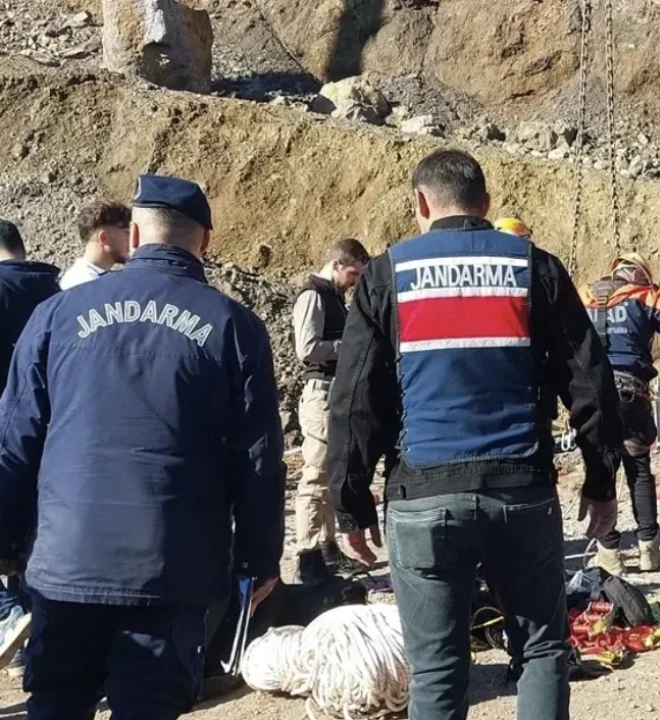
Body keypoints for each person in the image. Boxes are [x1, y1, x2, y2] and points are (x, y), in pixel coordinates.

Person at [327, 148, 623, 720]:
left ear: (420, 203)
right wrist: (600, 481)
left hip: (423, 496)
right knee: (541, 651)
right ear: (485, 204)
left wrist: (350, 504)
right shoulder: (534, 267)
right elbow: (590, 382)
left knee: (437, 669)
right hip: (521, 491)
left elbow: (357, 401)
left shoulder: (388, 274)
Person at [0, 175, 285, 720]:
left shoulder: (57, 315)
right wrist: (258, 557)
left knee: (56, 702)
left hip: (66, 562)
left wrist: (7, 538)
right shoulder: (234, 326)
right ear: (205, 241)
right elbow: (257, 458)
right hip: (171, 567)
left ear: (133, 234)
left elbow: (16, 437)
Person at [580, 252, 660, 575]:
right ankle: (649, 550)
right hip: (632, 393)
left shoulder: (585, 298)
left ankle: (609, 555)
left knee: (600, 471)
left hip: (594, 397)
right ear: (641, 274)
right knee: (639, 468)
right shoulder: (644, 297)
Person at [0, 218, 60, 677]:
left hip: (5, 426)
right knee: (30, 534)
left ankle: (8, 614)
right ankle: (33, 640)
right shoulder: (55, 292)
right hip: (49, 427)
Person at [292, 237, 370, 584]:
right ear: (337, 264)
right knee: (315, 475)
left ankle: (327, 548)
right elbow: (307, 348)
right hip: (321, 393)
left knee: (328, 474)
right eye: (353, 273)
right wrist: (349, 345)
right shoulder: (313, 295)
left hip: (333, 392)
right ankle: (308, 555)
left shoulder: (333, 296)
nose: (354, 281)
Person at [59, 200, 132, 289]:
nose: (131, 240)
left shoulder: (82, 277)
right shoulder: (87, 283)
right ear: (104, 238)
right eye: (127, 233)